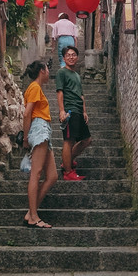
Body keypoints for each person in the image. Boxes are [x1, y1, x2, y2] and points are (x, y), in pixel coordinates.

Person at [22, 60, 58, 227]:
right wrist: (26, 138)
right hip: (39, 129)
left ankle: (31, 212)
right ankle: (34, 217)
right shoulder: (35, 87)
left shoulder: (35, 88)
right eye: (47, 69)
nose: (49, 72)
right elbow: (27, 113)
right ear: (42, 71)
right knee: (36, 174)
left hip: (43, 130)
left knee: (52, 176)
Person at [56, 46, 92, 181]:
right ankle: (68, 172)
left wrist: (84, 111)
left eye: (73, 55)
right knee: (69, 140)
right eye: (68, 55)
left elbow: (81, 94)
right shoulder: (62, 72)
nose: (71, 57)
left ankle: (67, 161)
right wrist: (61, 111)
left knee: (87, 140)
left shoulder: (77, 75)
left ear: (77, 57)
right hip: (69, 111)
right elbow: (60, 92)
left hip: (78, 111)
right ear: (64, 58)